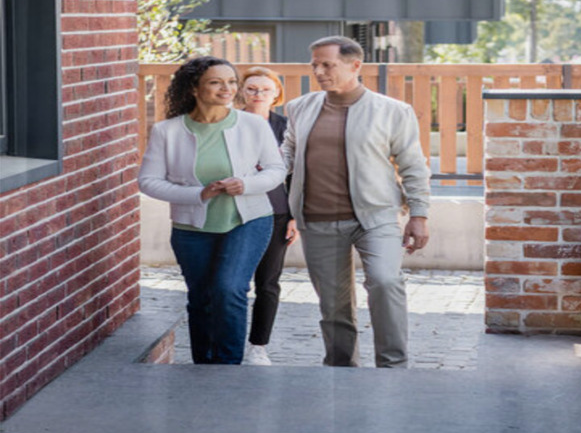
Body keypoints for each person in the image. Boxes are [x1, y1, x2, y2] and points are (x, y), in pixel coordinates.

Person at [281, 36, 430, 368]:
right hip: (317, 219)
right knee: (333, 305)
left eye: (327, 65)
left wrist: (419, 214)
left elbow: (413, 166)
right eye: (315, 65)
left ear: (355, 65)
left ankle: (392, 367)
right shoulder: (299, 107)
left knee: (385, 281)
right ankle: (341, 367)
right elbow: (286, 155)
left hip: (374, 217)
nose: (319, 71)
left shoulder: (392, 111)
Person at [138, 56, 286, 365]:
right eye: (217, 82)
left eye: (232, 82)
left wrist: (245, 184)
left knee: (229, 289)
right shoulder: (167, 131)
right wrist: (198, 193)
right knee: (201, 298)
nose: (228, 88)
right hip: (191, 228)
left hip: (248, 219)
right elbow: (149, 182)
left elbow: (275, 170)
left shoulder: (253, 124)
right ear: (194, 87)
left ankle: (228, 371)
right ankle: (203, 368)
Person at [237, 66, 299, 366]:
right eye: (251, 88)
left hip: (276, 213)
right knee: (233, 282)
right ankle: (228, 341)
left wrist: (294, 215)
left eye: (265, 89)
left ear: (277, 94)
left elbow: (300, 174)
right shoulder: (228, 123)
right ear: (241, 92)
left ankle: (258, 346)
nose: (258, 94)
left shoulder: (287, 128)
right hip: (235, 211)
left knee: (268, 283)